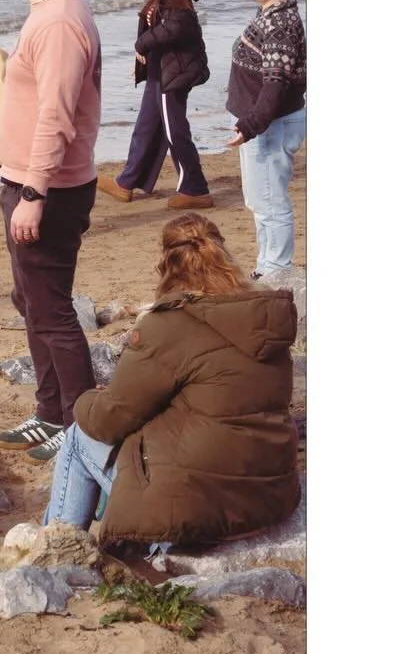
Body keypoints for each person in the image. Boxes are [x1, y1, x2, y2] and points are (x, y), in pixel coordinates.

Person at [41, 214, 300, 545]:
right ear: (224, 254)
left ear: (165, 263)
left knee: (79, 435)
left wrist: (85, 400)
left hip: (193, 512)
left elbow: (109, 420)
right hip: (268, 500)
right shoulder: (264, 321)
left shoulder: (169, 324)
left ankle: (56, 551)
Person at [0, 0, 103, 463]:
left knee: (52, 309)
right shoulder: (53, 12)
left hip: (50, 192)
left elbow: (57, 116)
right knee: (32, 301)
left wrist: (33, 192)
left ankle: (79, 426)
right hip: (31, 180)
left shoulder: (58, 22)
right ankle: (50, 413)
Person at [98, 0, 213, 210]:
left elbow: (175, 28)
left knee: (175, 130)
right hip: (160, 69)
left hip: (174, 72)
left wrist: (142, 44)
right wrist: (143, 61)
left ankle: (195, 189)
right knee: (147, 125)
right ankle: (126, 182)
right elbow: (161, 29)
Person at [225, 0, 306, 278]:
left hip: (270, 126)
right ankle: (268, 267)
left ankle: (275, 272)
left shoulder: (280, 25)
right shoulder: (273, 13)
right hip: (265, 124)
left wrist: (250, 125)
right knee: (261, 200)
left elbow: (274, 84)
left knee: (269, 202)